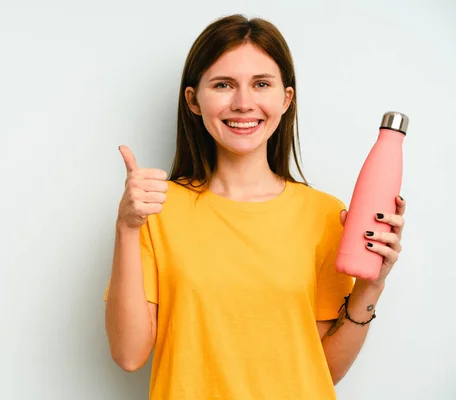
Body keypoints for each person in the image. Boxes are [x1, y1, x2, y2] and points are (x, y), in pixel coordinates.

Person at [104, 14, 406, 400]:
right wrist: (126, 227)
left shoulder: (326, 215)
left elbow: (323, 370)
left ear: (286, 98)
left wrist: (371, 285)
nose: (243, 103)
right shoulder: (154, 211)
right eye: (223, 85)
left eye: (261, 84)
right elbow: (129, 355)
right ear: (194, 100)